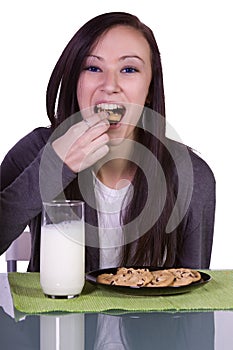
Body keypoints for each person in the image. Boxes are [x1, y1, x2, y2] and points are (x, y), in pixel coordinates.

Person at [0, 12, 215, 272]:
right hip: (58, 314)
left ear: (149, 89)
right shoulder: (37, 150)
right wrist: (55, 164)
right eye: (93, 68)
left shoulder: (192, 176)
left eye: (129, 69)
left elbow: (193, 295)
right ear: (75, 82)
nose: (110, 85)